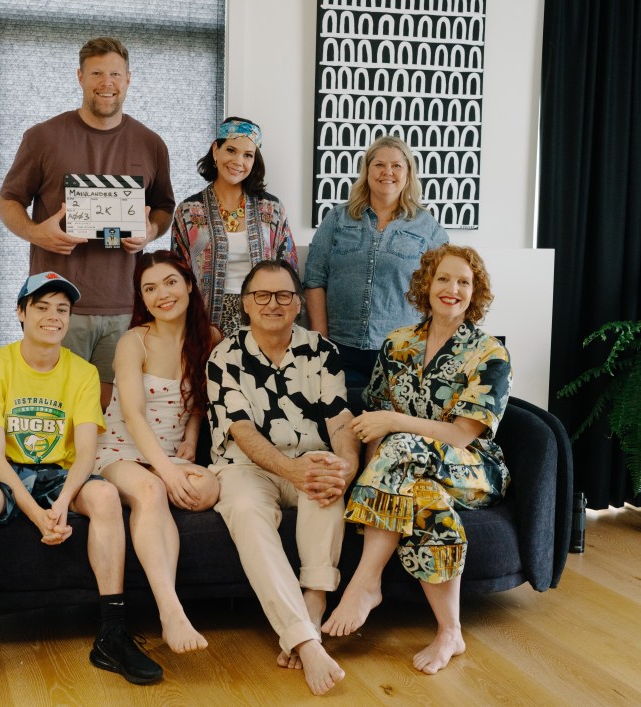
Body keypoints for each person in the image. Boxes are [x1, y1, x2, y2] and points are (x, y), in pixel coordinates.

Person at [0, 272, 162, 702]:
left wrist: (64, 501)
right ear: (20, 313)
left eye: (62, 309)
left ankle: (112, 636)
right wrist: (39, 516)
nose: (53, 316)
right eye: (41, 306)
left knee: (106, 495)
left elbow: (87, 451)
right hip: (3, 468)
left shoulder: (84, 372)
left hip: (58, 471)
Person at [321, 244, 513, 675]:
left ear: (475, 292)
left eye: (464, 282)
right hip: (410, 470)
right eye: (444, 278)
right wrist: (380, 455)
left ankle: (365, 583)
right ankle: (451, 632)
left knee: (401, 444)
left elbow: (464, 433)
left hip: (474, 467)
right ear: (427, 284)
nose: (452, 289)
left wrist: (395, 422)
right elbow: (372, 424)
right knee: (424, 498)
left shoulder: (490, 353)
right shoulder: (397, 344)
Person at [205, 259, 360, 696]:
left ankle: (314, 603)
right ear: (245, 304)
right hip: (245, 467)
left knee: (325, 481)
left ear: (298, 304)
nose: (273, 304)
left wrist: (344, 465)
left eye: (284, 295)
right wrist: (294, 469)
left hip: (307, 456)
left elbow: (340, 418)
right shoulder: (224, 357)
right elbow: (242, 432)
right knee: (246, 510)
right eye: (262, 296)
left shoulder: (321, 351)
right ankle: (306, 641)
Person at [0, 37, 176, 410]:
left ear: (129, 79)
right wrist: (35, 232)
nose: (105, 82)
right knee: (51, 411)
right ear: (80, 77)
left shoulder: (151, 144)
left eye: (114, 73)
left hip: (124, 306)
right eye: (96, 73)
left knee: (109, 416)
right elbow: (8, 201)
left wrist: (151, 231)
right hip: (58, 305)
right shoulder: (43, 138)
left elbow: (163, 207)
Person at [94, 250, 221, 654]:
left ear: (188, 285)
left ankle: (154, 491)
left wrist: (191, 430)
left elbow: (204, 396)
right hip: (121, 448)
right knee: (150, 491)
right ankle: (171, 612)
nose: (161, 294)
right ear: (142, 299)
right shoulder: (134, 341)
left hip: (167, 452)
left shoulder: (211, 338)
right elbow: (131, 414)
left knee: (208, 490)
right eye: (149, 288)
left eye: (169, 282)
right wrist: (166, 472)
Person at [304, 135, 448, 388]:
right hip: (340, 351)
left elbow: (441, 289)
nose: (387, 172)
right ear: (367, 170)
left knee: (391, 425)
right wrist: (322, 343)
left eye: (396, 165)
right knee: (343, 423)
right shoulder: (338, 218)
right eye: (379, 164)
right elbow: (315, 279)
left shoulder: (427, 226)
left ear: (408, 173)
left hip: (401, 354)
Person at [171, 117, 298, 336]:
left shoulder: (272, 209)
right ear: (215, 150)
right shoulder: (189, 211)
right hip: (205, 324)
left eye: (248, 155)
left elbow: (289, 270)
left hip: (264, 319)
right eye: (231, 150)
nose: (238, 161)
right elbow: (178, 275)